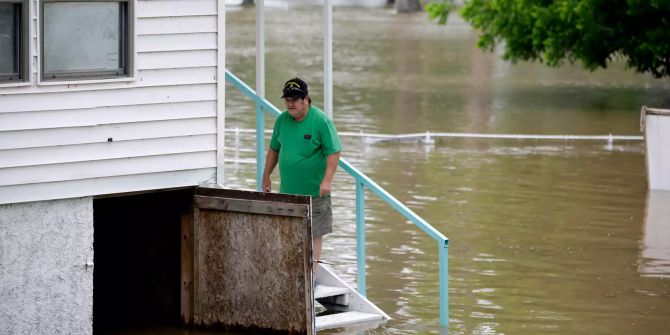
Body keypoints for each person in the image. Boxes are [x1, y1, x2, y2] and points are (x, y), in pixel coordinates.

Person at [262, 77, 342, 270]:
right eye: (287, 99)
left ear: (306, 99)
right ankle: (290, 271)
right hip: (288, 191)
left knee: (314, 234)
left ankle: (311, 275)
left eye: (295, 99)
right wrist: (266, 175)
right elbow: (274, 149)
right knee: (287, 232)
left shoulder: (321, 121)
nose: (290, 103)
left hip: (315, 191)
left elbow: (334, 151)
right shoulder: (282, 120)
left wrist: (327, 181)